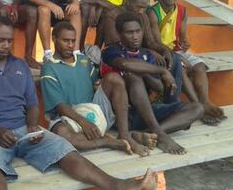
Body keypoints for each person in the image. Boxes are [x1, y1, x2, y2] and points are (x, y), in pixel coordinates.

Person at [0, 16, 157, 190]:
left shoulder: (19, 66)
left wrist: (33, 124)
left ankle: (119, 186)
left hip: (24, 131)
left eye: (9, 40)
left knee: (66, 151)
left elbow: (32, 104)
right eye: (1, 40)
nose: (6, 45)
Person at [41, 21, 157, 157]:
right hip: (70, 117)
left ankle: (125, 134)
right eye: (66, 41)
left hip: (95, 111)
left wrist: (98, 84)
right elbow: (59, 105)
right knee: (61, 133)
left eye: (73, 41)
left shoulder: (83, 60)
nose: (71, 45)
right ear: (54, 39)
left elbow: (95, 82)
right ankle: (107, 141)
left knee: (113, 78)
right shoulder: (49, 68)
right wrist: (83, 122)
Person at [101, 13, 204, 154]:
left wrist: (145, 72)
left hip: (147, 112)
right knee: (133, 78)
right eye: (129, 32)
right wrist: (162, 70)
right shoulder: (111, 51)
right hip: (123, 116)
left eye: (138, 31)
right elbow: (124, 63)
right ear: (119, 34)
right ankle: (159, 134)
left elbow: (158, 87)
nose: (135, 36)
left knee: (197, 108)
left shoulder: (146, 54)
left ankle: (146, 134)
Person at [147, 0, 226, 124]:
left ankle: (206, 102)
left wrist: (185, 43)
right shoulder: (153, 12)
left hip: (176, 50)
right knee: (181, 70)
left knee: (200, 66)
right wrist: (177, 57)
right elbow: (156, 43)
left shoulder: (182, 10)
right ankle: (198, 107)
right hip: (161, 53)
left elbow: (183, 36)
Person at [101, 0, 184, 102]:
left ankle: (173, 99)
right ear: (128, 2)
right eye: (138, 6)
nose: (141, 10)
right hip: (122, 56)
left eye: (144, 7)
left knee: (174, 58)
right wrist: (150, 52)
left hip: (141, 52)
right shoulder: (113, 16)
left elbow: (150, 41)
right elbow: (118, 44)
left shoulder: (142, 15)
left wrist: (164, 50)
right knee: (137, 76)